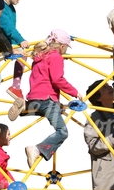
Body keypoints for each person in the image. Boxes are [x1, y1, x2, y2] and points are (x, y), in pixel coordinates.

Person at [7, 29, 84, 168]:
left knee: (42, 109)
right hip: (47, 100)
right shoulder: (56, 57)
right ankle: (36, 149)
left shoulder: (39, 56)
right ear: (61, 46)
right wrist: (74, 92)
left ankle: (25, 107)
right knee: (62, 132)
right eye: (66, 47)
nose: (66, 51)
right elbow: (57, 79)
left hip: (34, 98)